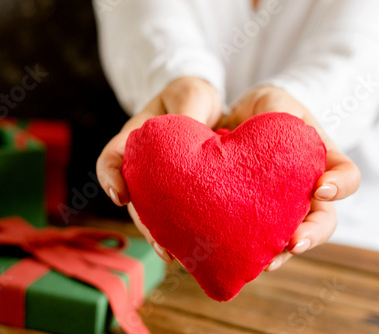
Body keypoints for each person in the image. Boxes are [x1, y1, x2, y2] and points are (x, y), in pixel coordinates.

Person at [94, 0, 379, 270]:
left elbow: (365, 43)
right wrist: (180, 82)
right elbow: (141, 14)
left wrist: (300, 114)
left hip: (351, 244)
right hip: (173, 231)